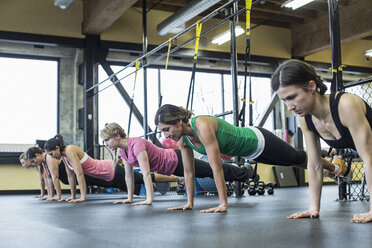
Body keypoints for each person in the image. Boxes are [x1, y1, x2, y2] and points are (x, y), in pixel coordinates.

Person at [154, 104, 344, 213]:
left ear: (178, 121)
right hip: (253, 153)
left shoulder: (202, 125)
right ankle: (330, 161)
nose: (166, 135)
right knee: (295, 161)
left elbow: (217, 167)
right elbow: (189, 172)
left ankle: (334, 166)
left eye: (166, 129)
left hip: (258, 140)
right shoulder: (184, 141)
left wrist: (223, 204)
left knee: (296, 158)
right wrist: (189, 203)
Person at [271, 59, 372, 223]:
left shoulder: (346, 105)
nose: (290, 106)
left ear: (312, 86)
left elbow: (369, 157)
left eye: (293, 97)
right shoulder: (305, 119)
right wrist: (313, 208)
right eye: (284, 100)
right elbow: (315, 164)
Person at [100, 122, 256, 206]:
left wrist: (149, 199)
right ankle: (245, 174)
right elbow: (129, 175)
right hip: (172, 168)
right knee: (209, 171)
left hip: (176, 159)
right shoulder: (123, 151)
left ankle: (247, 173)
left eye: (107, 140)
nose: (106, 144)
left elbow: (147, 173)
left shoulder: (137, 144)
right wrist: (129, 198)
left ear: (116, 135)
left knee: (210, 170)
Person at [43, 135, 179, 203]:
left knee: (142, 178)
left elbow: (79, 174)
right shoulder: (64, 156)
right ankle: (169, 180)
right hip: (106, 178)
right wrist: (73, 197)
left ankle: (175, 178)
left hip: (111, 170)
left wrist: (82, 197)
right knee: (137, 184)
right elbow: (71, 177)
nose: (51, 157)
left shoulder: (70, 150)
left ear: (56, 148)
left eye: (51, 154)